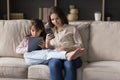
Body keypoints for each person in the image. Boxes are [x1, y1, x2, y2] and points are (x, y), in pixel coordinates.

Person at [16, 18, 84, 65]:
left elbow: (49, 27)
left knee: (49, 52)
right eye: (33, 31)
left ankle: (66, 54)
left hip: (43, 57)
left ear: (41, 30)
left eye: (37, 31)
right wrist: (27, 48)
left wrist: (44, 47)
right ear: (30, 30)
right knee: (47, 54)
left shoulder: (43, 38)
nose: (35, 33)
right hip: (30, 57)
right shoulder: (26, 39)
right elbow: (17, 50)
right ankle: (66, 55)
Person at [46, 6, 84, 80]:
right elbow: (49, 48)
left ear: (62, 17)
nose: (55, 21)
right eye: (52, 19)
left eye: (57, 18)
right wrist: (47, 41)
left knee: (68, 64)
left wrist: (67, 48)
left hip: (72, 56)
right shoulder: (51, 31)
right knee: (53, 64)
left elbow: (80, 45)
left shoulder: (72, 29)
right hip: (57, 56)